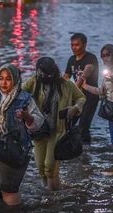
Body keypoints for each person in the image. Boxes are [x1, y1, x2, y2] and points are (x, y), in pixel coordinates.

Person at [0, 64, 44, 206]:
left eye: (8, 79)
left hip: (15, 148)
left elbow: (38, 122)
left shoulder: (25, 99)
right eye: (1, 79)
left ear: (16, 80)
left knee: (9, 190)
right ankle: (7, 208)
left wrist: (27, 117)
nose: (4, 83)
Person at [22, 57, 86, 190]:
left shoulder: (65, 84)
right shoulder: (33, 82)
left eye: (48, 74)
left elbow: (81, 97)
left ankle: (53, 194)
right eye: (42, 73)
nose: (45, 76)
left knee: (50, 165)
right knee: (40, 166)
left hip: (57, 130)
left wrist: (75, 108)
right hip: (39, 130)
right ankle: (53, 188)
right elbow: (19, 93)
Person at [63, 33, 99, 144]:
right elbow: (66, 77)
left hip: (90, 97)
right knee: (66, 123)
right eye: (72, 45)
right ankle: (71, 148)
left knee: (83, 127)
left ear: (84, 45)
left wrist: (72, 91)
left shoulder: (91, 58)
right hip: (77, 98)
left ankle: (86, 153)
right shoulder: (71, 59)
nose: (74, 48)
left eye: (77, 45)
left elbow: (84, 76)